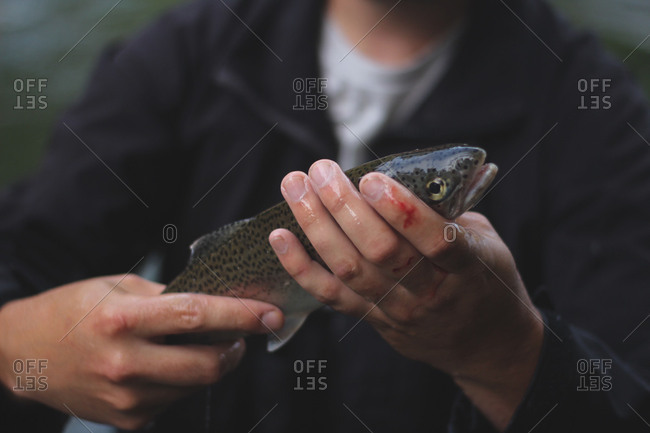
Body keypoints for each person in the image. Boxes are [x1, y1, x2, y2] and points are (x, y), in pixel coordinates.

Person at [1, 0, 649, 431]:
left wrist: (507, 353)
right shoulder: (183, 56)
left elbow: (630, 396)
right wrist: (20, 348)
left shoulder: (602, 116)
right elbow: (24, 257)